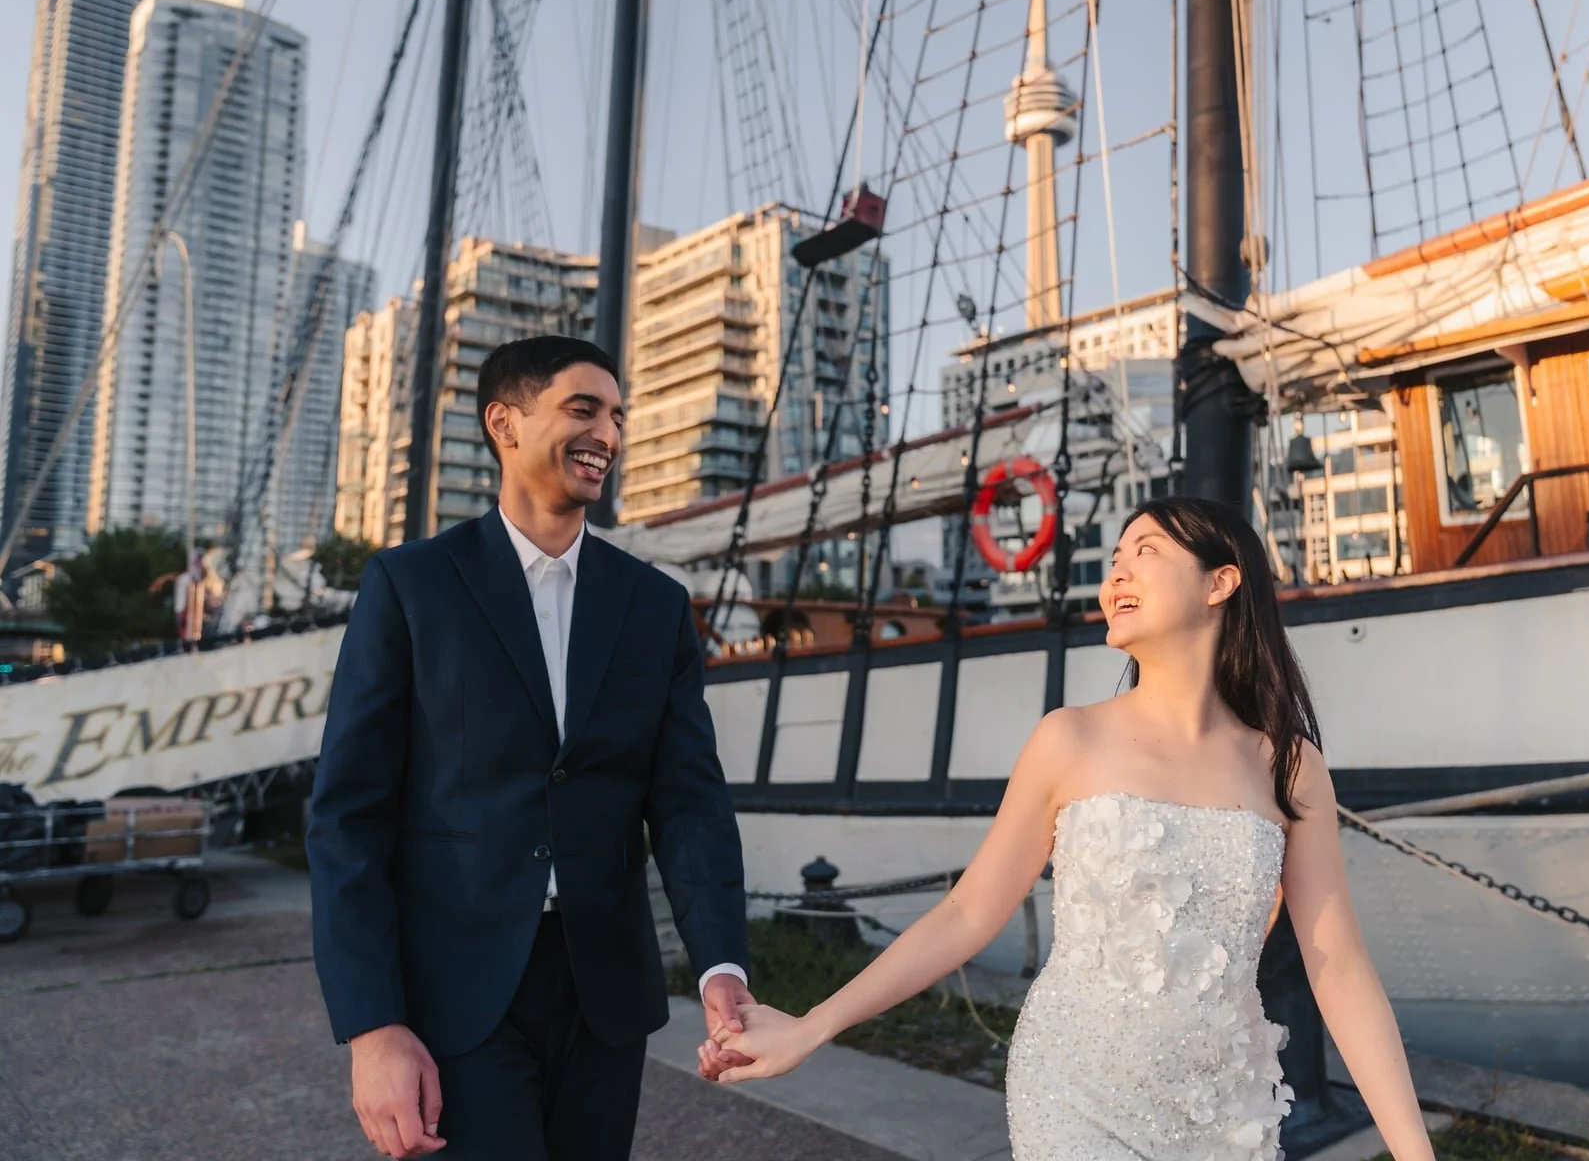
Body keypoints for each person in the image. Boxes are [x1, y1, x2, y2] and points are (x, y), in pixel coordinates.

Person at [706, 496, 1437, 1161]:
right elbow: (967, 912)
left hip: (1226, 1108)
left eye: (1143, 553)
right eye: (1112, 560)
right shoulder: (1069, 740)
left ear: (1220, 582)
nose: (1115, 574)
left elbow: (1336, 963)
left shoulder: (1290, 765)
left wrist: (1415, 1154)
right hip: (1076, 1090)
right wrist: (812, 1025)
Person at [308, 336, 754, 1160]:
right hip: (456, 991)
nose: (608, 434)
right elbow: (347, 819)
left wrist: (721, 963)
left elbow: (689, 801)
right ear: (504, 423)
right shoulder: (411, 587)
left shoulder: (656, 608)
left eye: (617, 416)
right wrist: (373, 1027)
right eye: (583, 409)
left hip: (605, 996)